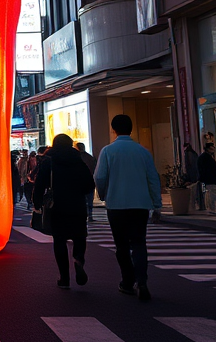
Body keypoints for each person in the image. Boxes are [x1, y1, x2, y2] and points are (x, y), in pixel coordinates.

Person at [94, 113, 162, 301]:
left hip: (116, 205)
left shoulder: (108, 151)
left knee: (121, 245)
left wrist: (103, 195)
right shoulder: (143, 151)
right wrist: (157, 205)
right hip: (140, 205)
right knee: (139, 243)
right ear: (131, 129)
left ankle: (127, 281)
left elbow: (99, 177)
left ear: (113, 129)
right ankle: (142, 281)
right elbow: (153, 178)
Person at [33, 134, 95, 288]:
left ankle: (64, 278)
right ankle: (78, 259)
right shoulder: (78, 160)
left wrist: (37, 202)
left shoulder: (49, 161)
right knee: (79, 236)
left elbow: (40, 183)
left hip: (57, 205)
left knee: (59, 240)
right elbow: (89, 184)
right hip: (77, 204)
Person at [197, 142, 216, 214]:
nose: (213, 150)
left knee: (212, 194)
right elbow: (206, 169)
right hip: (210, 179)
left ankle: (213, 208)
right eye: (212, 148)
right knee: (212, 194)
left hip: (211, 179)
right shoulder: (205, 158)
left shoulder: (207, 157)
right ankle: (212, 209)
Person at [76, 142, 97, 222]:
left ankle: (83, 216)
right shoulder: (90, 157)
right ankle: (90, 216)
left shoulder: (77, 157)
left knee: (82, 201)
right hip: (90, 181)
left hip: (80, 182)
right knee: (89, 200)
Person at [182, 142, 201, 211]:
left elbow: (190, 166)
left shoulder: (188, 153)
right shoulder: (193, 153)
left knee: (193, 192)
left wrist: (190, 177)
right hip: (195, 175)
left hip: (192, 175)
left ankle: (193, 205)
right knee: (195, 191)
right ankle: (197, 204)